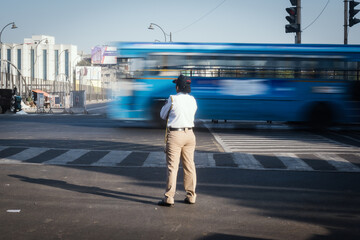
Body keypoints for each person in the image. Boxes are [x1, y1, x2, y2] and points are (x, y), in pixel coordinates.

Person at [158, 74, 198, 207]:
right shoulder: (193, 100)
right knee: (189, 166)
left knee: (172, 168)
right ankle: (191, 195)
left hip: (175, 135)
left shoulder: (172, 99)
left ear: (177, 87)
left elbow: (162, 115)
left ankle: (169, 197)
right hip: (190, 135)